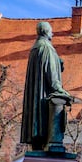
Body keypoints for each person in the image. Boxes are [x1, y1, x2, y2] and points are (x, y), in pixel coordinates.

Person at [21, 21, 72, 151]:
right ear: (46, 32)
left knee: (37, 124)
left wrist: (57, 61)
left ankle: (37, 142)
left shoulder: (35, 48)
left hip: (36, 96)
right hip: (44, 99)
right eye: (51, 31)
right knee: (45, 120)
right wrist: (61, 91)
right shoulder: (46, 48)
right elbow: (52, 76)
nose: (53, 33)